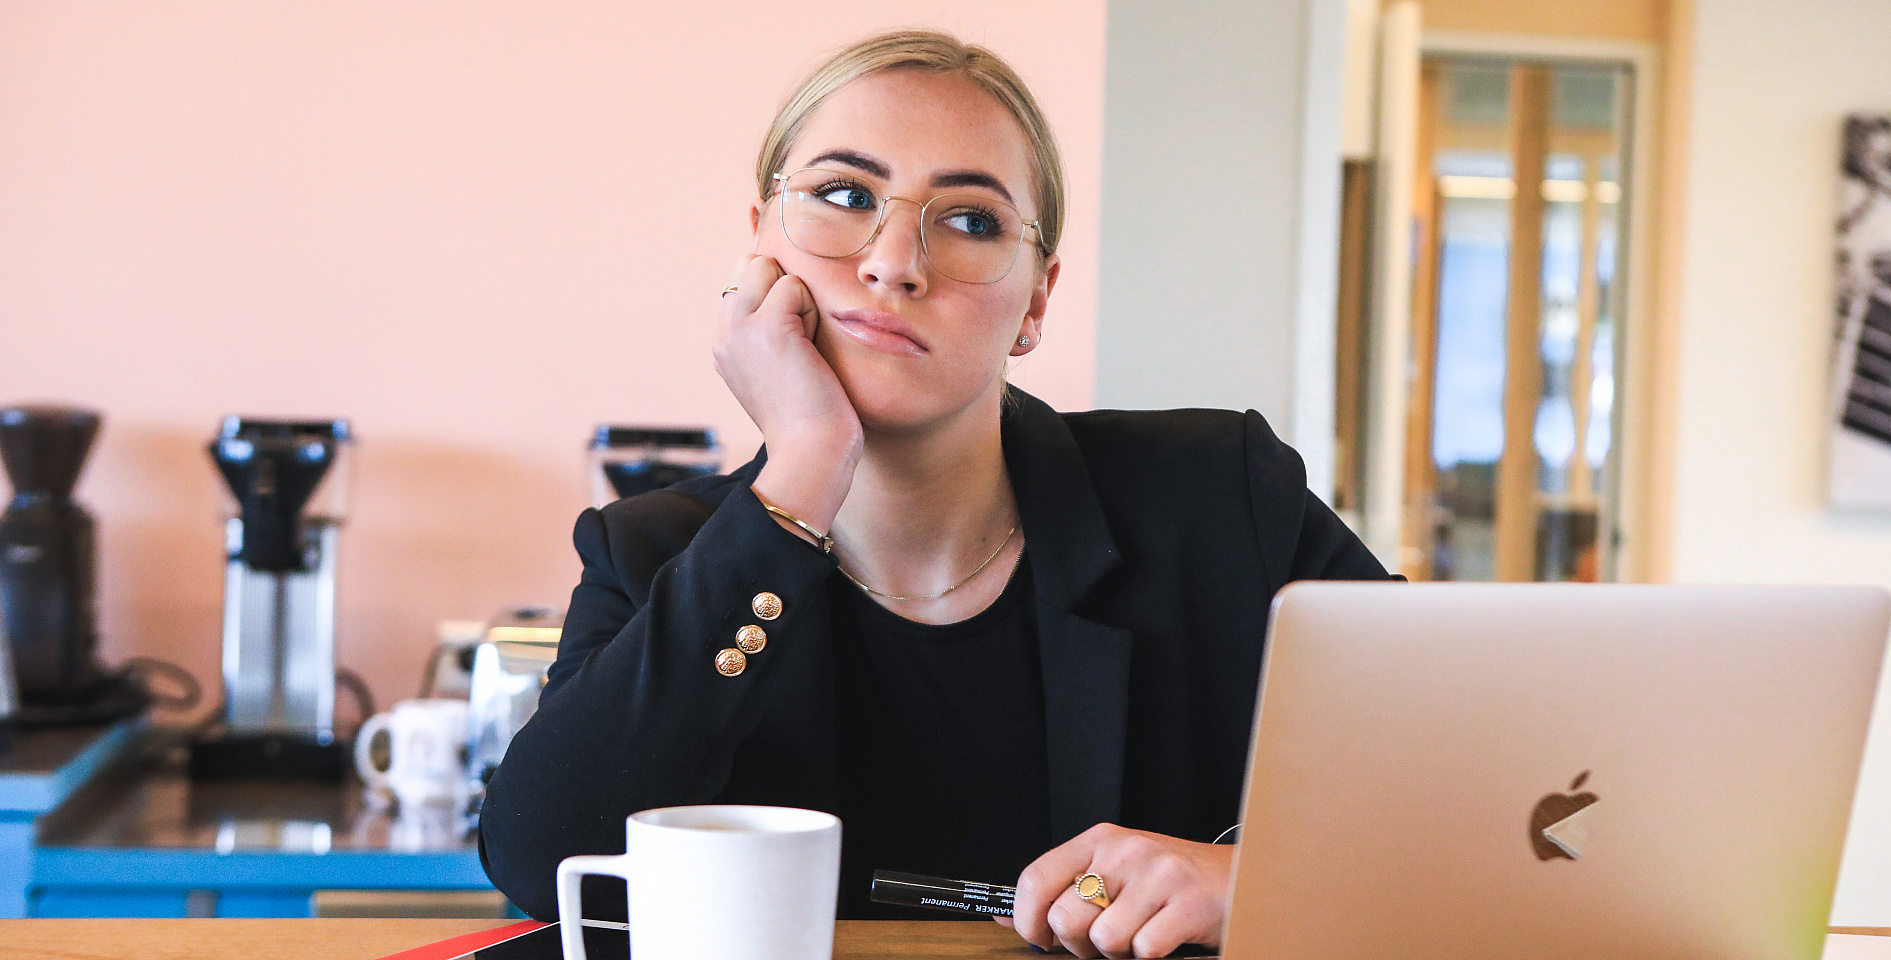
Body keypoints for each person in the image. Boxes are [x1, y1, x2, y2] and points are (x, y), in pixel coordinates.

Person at [479, 29, 1391, 959]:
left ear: (1037, 301)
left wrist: (1257, 880)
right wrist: (801, 470)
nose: (893, 262)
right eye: (844, 197)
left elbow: (1496, 797)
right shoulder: (651, 551)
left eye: (970, 220)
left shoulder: (1220, 498)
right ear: (758, 242)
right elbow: (544, 858)